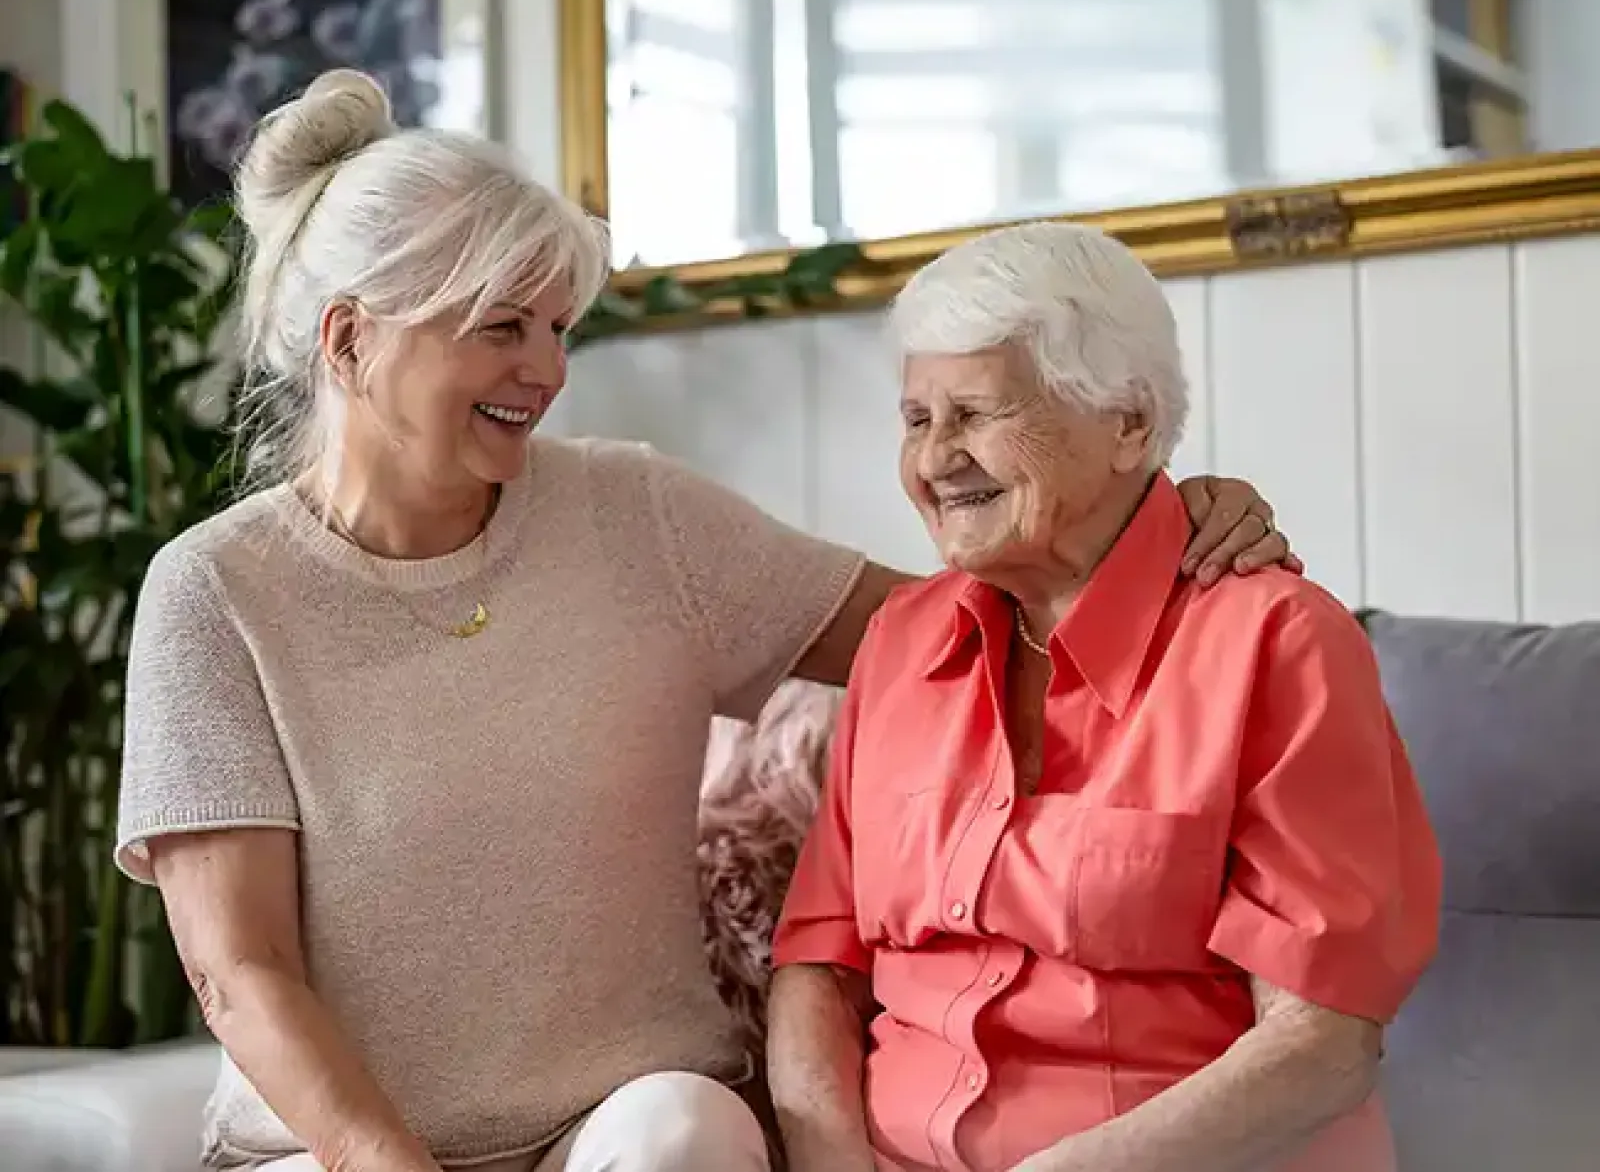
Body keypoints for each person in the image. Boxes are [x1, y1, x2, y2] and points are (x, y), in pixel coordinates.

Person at [114, 71, 1299, 1172]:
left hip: (624, 1123)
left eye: (558, 327)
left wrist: (1165, 524)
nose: (547, 369)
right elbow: (240, 970)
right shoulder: (215, 592)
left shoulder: (637, 515)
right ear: (351, 338)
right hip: (335, 1155)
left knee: (682, 1128)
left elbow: (955, 627)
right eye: (501, 327)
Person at [766, 221, 1443, 1172]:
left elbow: (1322, 1046)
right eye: (918, 419)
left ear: (1128, 422)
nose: (935, 458)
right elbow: (820, 962)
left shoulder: (1275, 641)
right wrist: (829, 1157)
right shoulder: (902, 638)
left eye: (978, 413)